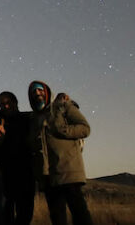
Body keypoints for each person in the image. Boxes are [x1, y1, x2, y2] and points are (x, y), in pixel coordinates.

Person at [28, 81, 92, 225]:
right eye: (34, 93)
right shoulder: (34, 118)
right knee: (57, 218)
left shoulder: (63, 106)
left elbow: (85, 128)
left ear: (47, 92)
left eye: (40, 91)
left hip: (68, 171)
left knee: (80, 214)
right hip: (48, 176)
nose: (37, 94)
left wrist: (63, 129)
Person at [0, 91, 34, 225]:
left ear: (15, 102)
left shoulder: (28, 118)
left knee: (25, 214)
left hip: (25, 174)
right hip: (5, 176)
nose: (5, 106)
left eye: (8, 102)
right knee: (6, 215)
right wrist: (1, 138)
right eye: (2, 103)